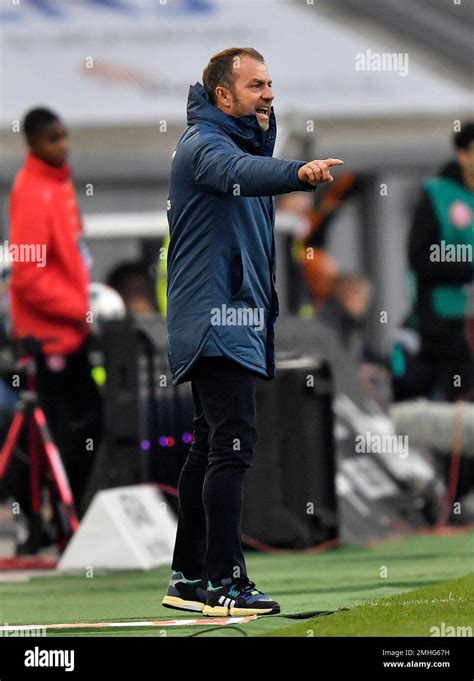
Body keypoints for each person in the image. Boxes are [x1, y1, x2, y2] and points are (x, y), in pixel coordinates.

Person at [162, 47, 343, 617]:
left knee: (211, 445)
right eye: (256, 85)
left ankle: (189, 578)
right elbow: (238, 176)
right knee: (232, 447)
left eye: (270, 83)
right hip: (216, 323)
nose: (269, 94)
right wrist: (296, 172)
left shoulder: (234, 143)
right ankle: (225, 582)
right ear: (223, 97)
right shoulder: (205, 148)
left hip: (228, 320)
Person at [6, 107, 103, 552]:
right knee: (58, 431)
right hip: (49, 337)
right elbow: (27, 275)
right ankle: (47, 523)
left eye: (65, 136)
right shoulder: (31, 192)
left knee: (80, 426)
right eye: (53, 139)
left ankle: (61, 520)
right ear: (33, 143)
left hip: (71, 332)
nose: (63, 146)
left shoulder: (59, 185)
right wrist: (79, 307)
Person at [405, 122, 474, 402]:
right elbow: (420, 256)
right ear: (463, 155)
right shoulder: (437, 196)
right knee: (458, 401)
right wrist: (467, 268)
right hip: (446, 324)